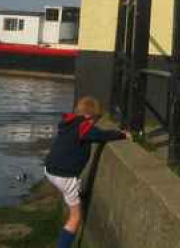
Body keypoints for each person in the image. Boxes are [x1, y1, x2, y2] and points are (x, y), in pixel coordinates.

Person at [44, 96, 129, 248]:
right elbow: (101, 135)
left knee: (71, 190)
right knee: (75, 217)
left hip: (50, 170)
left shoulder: (68, 123)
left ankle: (75, 192)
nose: (95, 124)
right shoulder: (84, 127)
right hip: (65, 176)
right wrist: (122, 134)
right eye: (96, 120)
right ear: (89, 117)